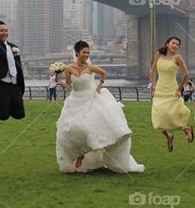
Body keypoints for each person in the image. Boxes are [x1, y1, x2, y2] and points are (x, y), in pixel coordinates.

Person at [54, 40, 144, 173]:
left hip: (90, 98)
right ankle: (80, 153)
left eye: (88, 52)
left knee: (89, 126)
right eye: (84, 52)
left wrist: (99, 86)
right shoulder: (69, 69)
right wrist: (58, 81)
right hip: (75, 100)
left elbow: (104, 73)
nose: (86, 55)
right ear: (77, 53)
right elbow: (68, 86)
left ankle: (90, 152)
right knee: (72, 128)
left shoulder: (90, 68)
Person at [150, 36, 194, 152]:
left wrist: (180, 88)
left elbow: (186, 74)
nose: (175, 46)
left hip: (172, 89)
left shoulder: (177, 57)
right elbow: (152, 71)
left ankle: (186, 128)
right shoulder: (159, 54)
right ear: (167, 44)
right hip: (160, 89)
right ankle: (169, 136)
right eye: (173, 43)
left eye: (177, 44)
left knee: (173, 113)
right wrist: (153, 87)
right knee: (158, 118)